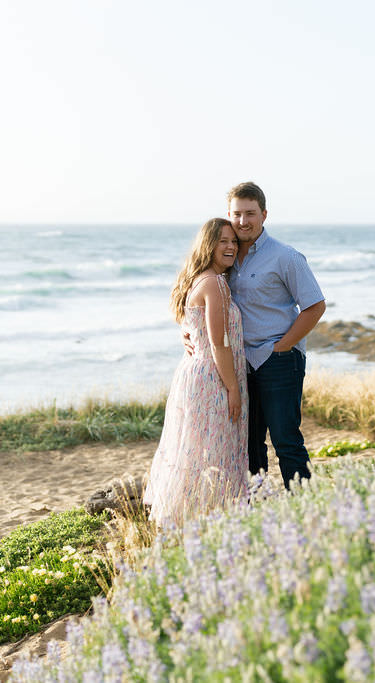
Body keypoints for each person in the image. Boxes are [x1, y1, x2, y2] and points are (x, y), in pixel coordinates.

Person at [187, 182, 326, 488]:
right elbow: (201, 300)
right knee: (249, 445)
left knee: (286, 440)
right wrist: (189, 333)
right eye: (237, 214)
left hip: (278, 361)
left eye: (250, 213)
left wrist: (282, 347)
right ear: (229, 214)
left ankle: (305, 505)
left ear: (264, 215)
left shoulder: (286, 257)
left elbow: (315, 306)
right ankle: (256, 505)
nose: (243, 221)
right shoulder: (225, 256)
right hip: (240, 365)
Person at [143, 218, 248, 527]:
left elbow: (196, 329)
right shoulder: (215, 283)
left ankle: (195, 520)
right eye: (222, 241)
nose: (230, 246)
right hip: (212, 378)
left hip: (195, 374)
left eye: (233, 241)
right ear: (208, 245)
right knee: (213, 452)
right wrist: (233, 388)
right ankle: (210, 520)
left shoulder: (200, 279)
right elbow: (219, 341)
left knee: (196, 450)